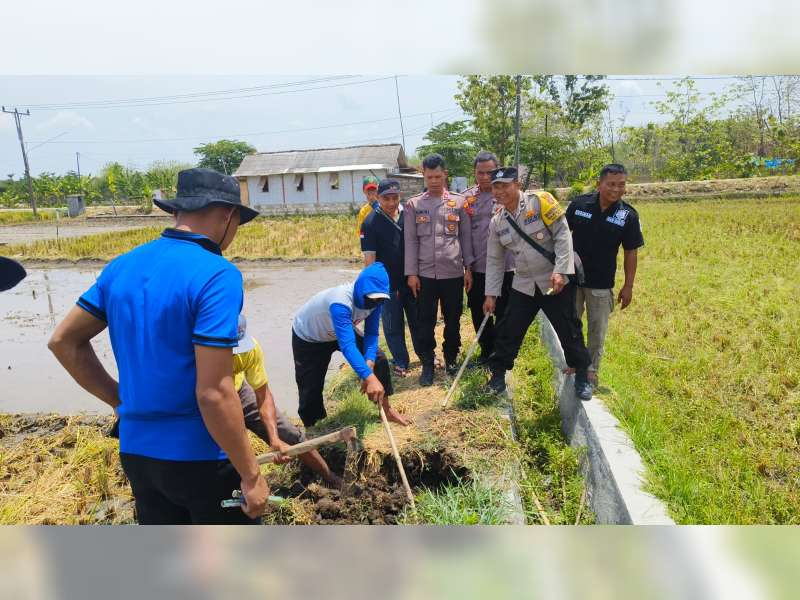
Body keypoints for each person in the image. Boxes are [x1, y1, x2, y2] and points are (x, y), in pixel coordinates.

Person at [48, 167, 269, 524]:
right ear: (227, 215)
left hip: (138, 454)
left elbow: (63, 342)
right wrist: (251, 475)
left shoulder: (121, 266)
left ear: (178, 211)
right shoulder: (217, 273)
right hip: (201, 458)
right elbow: (213, 392)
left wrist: (120, 400)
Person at [483, 166, 593, 400]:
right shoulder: (498, 221)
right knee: (509, 329)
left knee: (569, 328)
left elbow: (563, 235)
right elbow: (494, 260)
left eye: (505, 185)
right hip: (523, 283)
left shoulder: (541, 201)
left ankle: (582, 374)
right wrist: (491, 295)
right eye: (496, 187)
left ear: (518, 185)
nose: (500, 191)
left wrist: (561, 271)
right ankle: (498, 375)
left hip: (554, 281)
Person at [291, 262, 410, 428]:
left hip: (340, 329)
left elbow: (372, 334)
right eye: (371, 298)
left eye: (379, 299)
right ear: (361, 289)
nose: (374, 303)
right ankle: (314, 428)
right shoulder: (340, 301)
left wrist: (369, 363)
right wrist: (369, 377)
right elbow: (347, 345)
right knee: (310, 390)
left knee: (379, 359)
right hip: (310, 337)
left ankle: (386, 410)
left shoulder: (377, 302)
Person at [233, 315, 342, 487]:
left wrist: (275, 438)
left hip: (239, 390)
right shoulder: (197, 357)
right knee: (224, 454)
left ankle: (330, 478)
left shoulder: (249, 349)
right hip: (207, 401)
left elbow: (263, 395)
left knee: (292, 435)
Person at [566, 164, 644, 384]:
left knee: (597, 330)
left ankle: (590, 370)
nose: (616, 189)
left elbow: (631, 252)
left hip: (600, 283)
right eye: (611, 184)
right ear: (599, 184)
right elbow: (561, 236)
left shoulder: (627, 215)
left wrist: (628, 286)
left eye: (621, 185)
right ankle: (573, 362)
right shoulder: (579, 204)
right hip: (572, 278)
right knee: (571, 323)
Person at [404, 153, 474, 385]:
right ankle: (427, 363)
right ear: (423, 175)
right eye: (429, 176)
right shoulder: (414, 205)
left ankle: (451, 359)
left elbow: (465, 237)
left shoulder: (459, 202)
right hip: (424, 276)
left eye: (438, 176)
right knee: (425, 322)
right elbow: (411, 242)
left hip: (453, 273)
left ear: (445, 174)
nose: (434, 181)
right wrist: (411, 273)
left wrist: (469, 269)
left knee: (453, 320)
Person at [360, 178, 420, 377]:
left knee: (418, 320)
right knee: (393, 325)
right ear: (378, 197)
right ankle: (401, 361)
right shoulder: (370, 222)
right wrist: (372, 288)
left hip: (411, 278)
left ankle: (426, 355)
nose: (391, 203)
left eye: (395, 197)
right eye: (386, 198)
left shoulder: (408, 215)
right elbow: (369, 258)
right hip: (387, 284)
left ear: (399, 196)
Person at [463, 151, 514, 364]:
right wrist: (467, 268)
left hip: (507, 267)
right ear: (474, 173)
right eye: (480, 173)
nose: (484, 177)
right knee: (478, 311)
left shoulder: (508, 196)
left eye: (489, 173)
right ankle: (486, 351)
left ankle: (501, 356)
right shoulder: (467, 199)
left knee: (504, 312)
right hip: (478, 268)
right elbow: (464, 236)